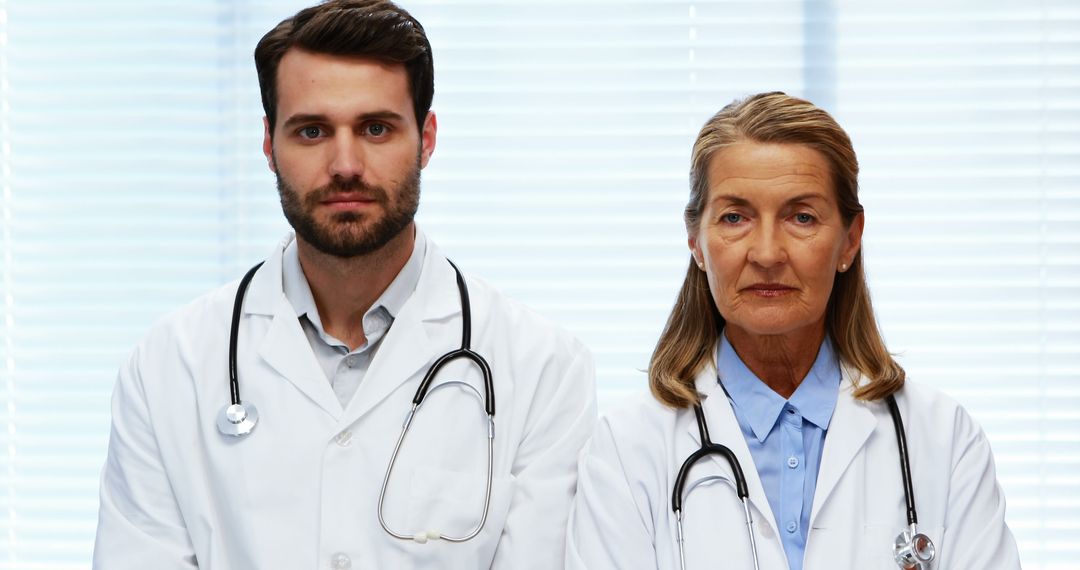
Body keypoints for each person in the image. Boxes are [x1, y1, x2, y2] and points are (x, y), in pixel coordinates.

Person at [93, 1, 596, 568]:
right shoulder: (169, 367)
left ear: (426, 139)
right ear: (268, 145)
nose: (345, 164)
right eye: (311, 131)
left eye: (375, 128)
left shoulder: (542, 369)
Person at [566, 92, 1020, 569]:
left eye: (801, 217)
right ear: (695, 241)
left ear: (850, 239)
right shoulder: (628, 450)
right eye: (735, 217)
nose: (766, 253)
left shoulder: (943, 441)